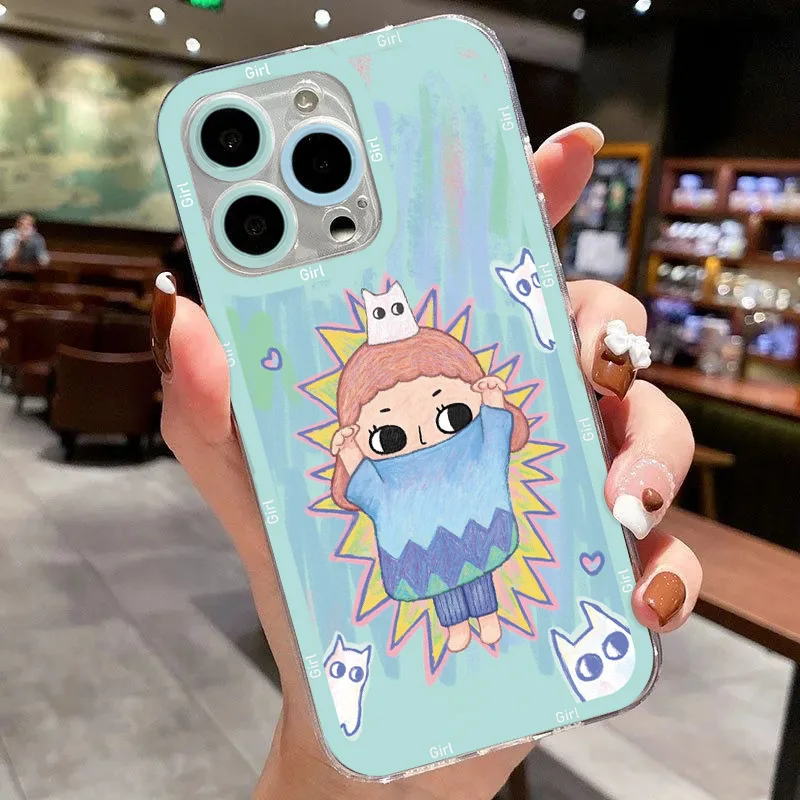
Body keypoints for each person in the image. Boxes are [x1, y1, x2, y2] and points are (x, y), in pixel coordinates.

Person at [149, 123, 702, 800]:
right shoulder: (398, 469)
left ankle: (484, 626)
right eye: (385, 432)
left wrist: (509, 392)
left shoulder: (467, 439)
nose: (423, 432)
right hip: (424, 562)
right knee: (453, 594)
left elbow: (506, 434)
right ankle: (470, 630)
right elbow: (361, 489)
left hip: (465, 543)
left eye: (448, 411)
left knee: (480, 589)